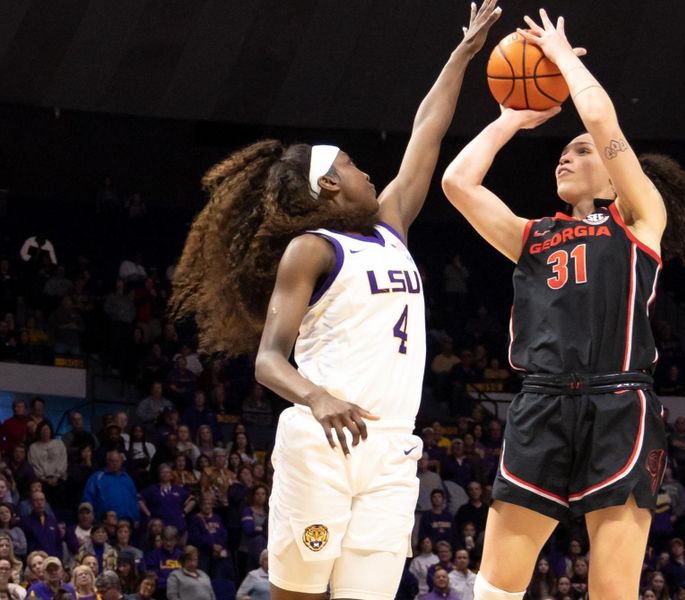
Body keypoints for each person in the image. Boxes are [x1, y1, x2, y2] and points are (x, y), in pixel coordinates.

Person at [167, 4, 501, 600]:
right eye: (349, 164)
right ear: (326, 185)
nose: (366, 171)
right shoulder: (311, 249)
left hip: (394, 447)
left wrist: (463, 55)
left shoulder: (392, 225)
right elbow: (269, 360)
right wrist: (317, 397)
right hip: (322, 444)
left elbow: (426, 133)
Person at [441, 8, 685, 600]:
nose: (566, 156)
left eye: (583, 152)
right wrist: (509, 119)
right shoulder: (534, 235)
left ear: (613, 177)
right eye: (563, 152)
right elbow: (459, 184)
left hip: (619, 405)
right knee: (494, 588)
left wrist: (560, 59)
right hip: (540, 402)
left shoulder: (640, 221)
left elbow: (601, 117)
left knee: (612, 591)